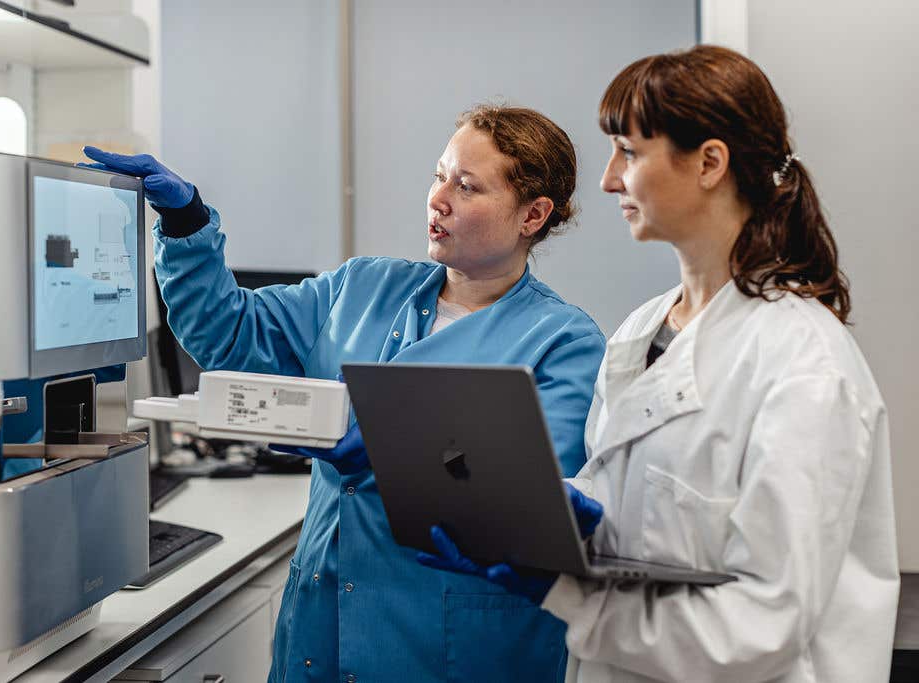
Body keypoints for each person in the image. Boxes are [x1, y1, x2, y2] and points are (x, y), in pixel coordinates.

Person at [419, 46, 899, 682]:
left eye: (630, 152)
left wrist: (565, 594)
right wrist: (539, 510)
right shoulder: (644, 330)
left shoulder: (802, 365)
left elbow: (763, 627)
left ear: (708, 164)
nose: (608, 178)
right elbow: (631, 505)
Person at [82, 105, 606, 682]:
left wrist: (398, 454)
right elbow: (229, 334)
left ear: (533, 214)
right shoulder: (360, 289)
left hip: (451, 649)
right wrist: (185, 223)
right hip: (319, 633)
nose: (439, 199)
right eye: (439, 175)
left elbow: (531, 511)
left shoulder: (563, 341)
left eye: (467, 186)